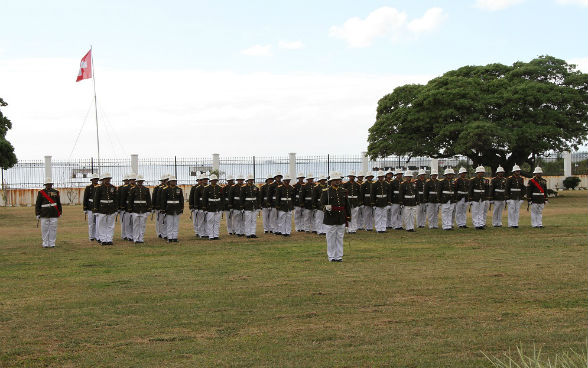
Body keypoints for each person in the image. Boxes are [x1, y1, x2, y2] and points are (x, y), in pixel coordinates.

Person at [321, 171, 351, 262]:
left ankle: (339, 256)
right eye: (336, 180)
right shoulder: (326, 192)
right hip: (330, 218)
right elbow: (321, 204)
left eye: (339, 180)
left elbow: (347, 205)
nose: (338, 181)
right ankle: (331, 257)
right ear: (331, 181)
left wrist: (348, 216)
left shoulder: (343, 191)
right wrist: (327, 208)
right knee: (330, 238)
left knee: (339, 238)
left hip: (341, 217)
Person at [35, 177, 62, 248]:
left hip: (54, 212)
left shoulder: (56, 192)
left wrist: (60, 212)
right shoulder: (41, 193)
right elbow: (38, 204)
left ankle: (52, 243)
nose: (49, 185)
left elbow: (58, 203)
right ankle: (45, 243)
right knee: (44, 229)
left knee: (53, 229)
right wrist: (37, 213)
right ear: (45, 185)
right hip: (44, 213)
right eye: (47, 184)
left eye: (50, 184)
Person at [93, 173, 118, 245]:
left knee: (110, 225)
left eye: (109, 179)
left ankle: (109, 239)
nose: (107, 180)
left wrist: (116, 209)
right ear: (103, 180)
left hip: (111, 208)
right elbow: (96, 199)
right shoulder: (99, 188)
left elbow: (116, 199)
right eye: (106, 179)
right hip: (102, 209)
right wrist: (95, 210)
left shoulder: (113, 187)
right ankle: (103, 239)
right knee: (102, 225)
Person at [127, 175, 151, 244]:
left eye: (141, 181)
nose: (140, 182)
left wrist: (149, 209)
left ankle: (141, 238)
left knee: (142, 225)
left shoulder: (146, 189)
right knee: (136, 225)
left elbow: (148, 200)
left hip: (143, 210)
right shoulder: (133, 189)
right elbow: (130, 200)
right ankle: (136, 238)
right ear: (137, 182)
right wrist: (130, 210)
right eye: (139, 181)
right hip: (135, 210)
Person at [159, 175, 184, 242]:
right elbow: (163, 200)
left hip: (177, 208)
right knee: (169, 224)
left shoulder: (179, 189)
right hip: (169, 208)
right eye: (172, 181)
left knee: (176, 224)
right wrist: (163, 209)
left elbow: (181, 199)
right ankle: (170, 237)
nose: (174, 182)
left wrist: (182, 208)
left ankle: (175, 237)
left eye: (175, 181)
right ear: (169, 182)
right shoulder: (165, 190)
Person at [203, 174, 223, 240]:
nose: (214, 181)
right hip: (210, 207)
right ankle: (211, 235)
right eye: (213, 180)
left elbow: (222, 198)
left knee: (217, 222)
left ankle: (216, 235)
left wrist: (221, 207)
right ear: (210, 181)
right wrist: (205, 208)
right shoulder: (206, 188)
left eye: (215, 180)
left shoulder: (220, 188)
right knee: (210, 221)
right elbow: (204, 199)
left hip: (218, 206)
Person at [240, 174, 260, 238]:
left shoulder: (255, 187)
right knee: (248, 220)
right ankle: (248, 233)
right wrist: (242, 206)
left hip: (254, 205)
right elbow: (242, 198)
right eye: (250, 180)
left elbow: (258, 197)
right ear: (247, 181)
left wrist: (258, 206)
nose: (251, 181)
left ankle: (253, 233)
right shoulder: (244, 188)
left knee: (253, 220)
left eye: (252, 180)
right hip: (247, 206)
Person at [82, 173, 100, 241]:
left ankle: (97, 236)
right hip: (90, 207)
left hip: (97, 207)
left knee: (97, 223)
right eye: (94, 179)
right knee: (91, 223)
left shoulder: (99, 186)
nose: (95, 180)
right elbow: (85, 198)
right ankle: (91, 236)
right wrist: (85, 208)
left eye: (96, 179)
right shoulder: (88, 187)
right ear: (92, 180)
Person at [152, 174, 169, 239]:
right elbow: (155, 198)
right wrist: (154, 206)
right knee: (159, 220)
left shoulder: (168, 188)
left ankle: (164, 233)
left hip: (166, 207)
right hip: (158, 207)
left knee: (166, 221)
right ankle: (159, 233)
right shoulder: (157, 188)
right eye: (165, 180)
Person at [195, 173, 209, 238]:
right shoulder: (198, 188)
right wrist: (196, 207)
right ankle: (201, 233)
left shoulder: (209, 187)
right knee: (200, 221)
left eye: (206, 179)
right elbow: (196, 198)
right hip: (200, 206)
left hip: (208, 206)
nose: (205, 180)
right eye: (204, 179)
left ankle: (206, 233)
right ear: (202, 180)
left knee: (207, 221)